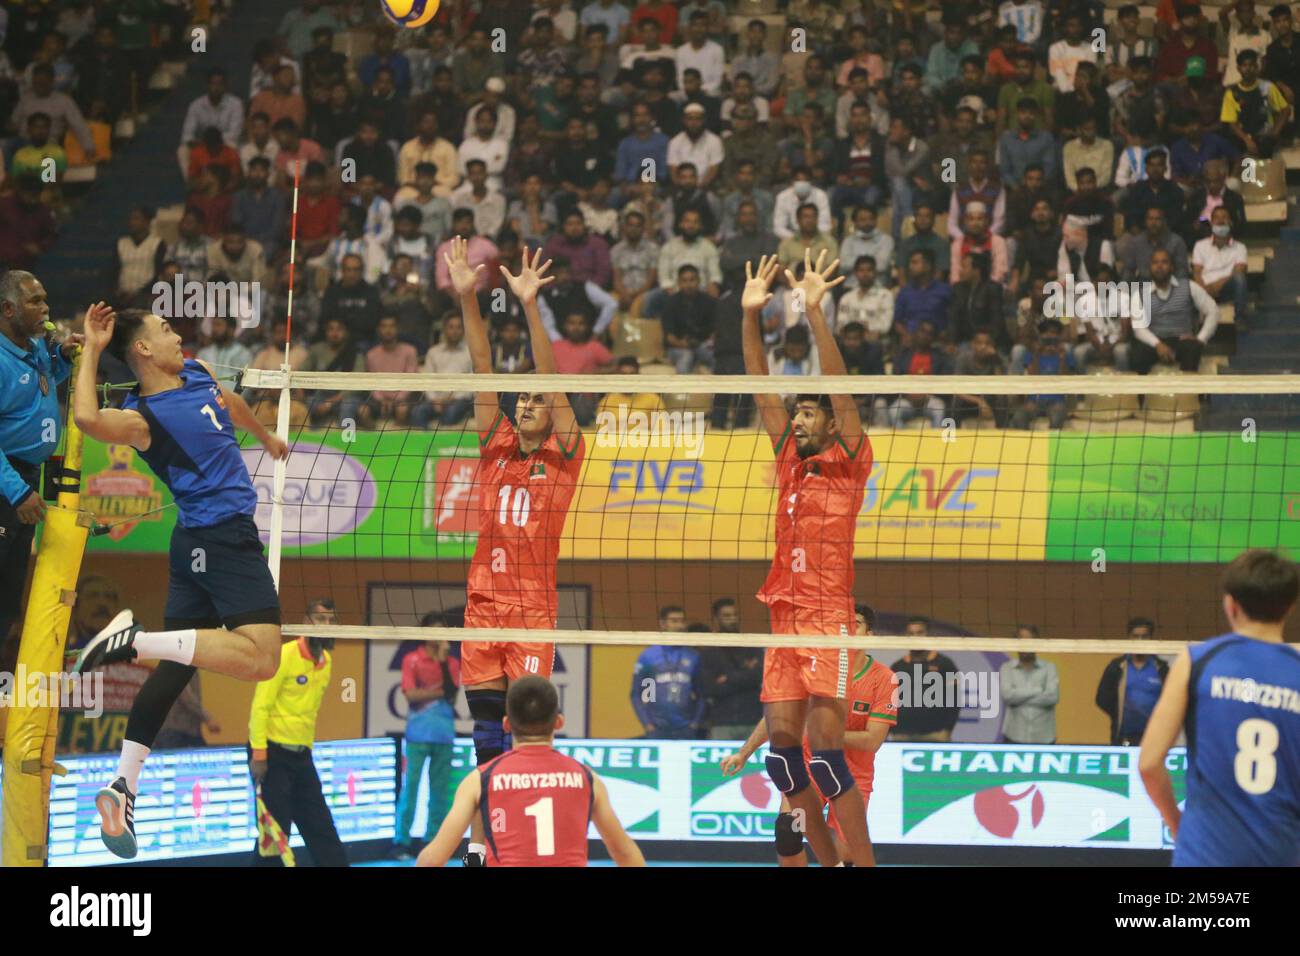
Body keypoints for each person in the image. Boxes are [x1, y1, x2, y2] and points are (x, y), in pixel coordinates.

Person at [71, 304, 289, 859]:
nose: (176, 334)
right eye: (164, 330)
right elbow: (88, 421)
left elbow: (229, 403)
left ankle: (123, 786)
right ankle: (133, 639)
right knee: (264, 660)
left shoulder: (196, 371)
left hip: (191, 543)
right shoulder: (144, 417)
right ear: (142, 349)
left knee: (178, 666)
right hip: (223, 541)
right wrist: (93, 351)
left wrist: (265, 438)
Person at [444, 239, 585, 867]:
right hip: (482, 604)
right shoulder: (496, 443)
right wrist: (467, 297)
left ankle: (524, 846)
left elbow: (551, 383)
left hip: (532, 611)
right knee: (481, 738)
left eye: (536, 401)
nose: (527, 404)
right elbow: (481, 368)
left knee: (522, 735)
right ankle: (481, 845)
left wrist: (530, 306)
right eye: (521, 399)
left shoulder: (564, 456)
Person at [741, 251, 875, 868]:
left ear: (829, 420)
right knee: (780, 759)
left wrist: (814, 311)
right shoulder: (788, 459)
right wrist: (751, 317)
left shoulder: (849, 460)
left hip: (827, 616)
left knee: (825, 755)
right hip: (783, 618)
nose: (796, 418)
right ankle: (827, 865)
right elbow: (758, 384)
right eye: (794, 411)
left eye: (807, 411)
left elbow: (841, 388)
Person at [1139, 549, 1300, 866]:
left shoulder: (1197, 661)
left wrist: (1177, 824)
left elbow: (1148, 764)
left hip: (1204, 854)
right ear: (1290, 607)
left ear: (1230, 604)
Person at [720, 603, 898, 867]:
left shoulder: (885, 679)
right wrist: (744, 753)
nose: (846, 630)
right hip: (808, 769)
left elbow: (872, 741)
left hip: (851, 775)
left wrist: (824, 733)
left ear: (870, 635)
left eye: (855, 624)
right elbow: (778, 715)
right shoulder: (814, 670)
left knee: (844, 855)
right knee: (789, 830)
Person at [417, 676, 645, 867]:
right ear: (559, 722)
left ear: (506, 724)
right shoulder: (586, 778)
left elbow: (432, 860)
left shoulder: (480, 779)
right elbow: (624, 854)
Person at [0, 272, 82, 643]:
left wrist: (63, 357)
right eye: (35, 301)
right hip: (8, 483)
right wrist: (17, 492)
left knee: (8, 596)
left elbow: (41, 385)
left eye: (45, 298)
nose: (46, 307)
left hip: (27, 478)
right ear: (7, 309)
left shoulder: (35, 348)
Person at [248, 598, 346, 867]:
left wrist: (307, 749)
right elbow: (260, 707)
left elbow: (309, 713)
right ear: (306, 622)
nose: (326, 625)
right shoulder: (284, 655)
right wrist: (259, 754)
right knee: (275, 834)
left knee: (321, 827)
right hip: (271, 754)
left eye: (330, 620)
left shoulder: (325, 661)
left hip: (301, 756)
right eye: (320, 619)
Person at [392, 624, 461, 860]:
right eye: (435, 630)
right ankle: (402, 842)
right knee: (410, 788)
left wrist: (442, 664)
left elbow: (452, 695)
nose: (440, 635)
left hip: (444, 735)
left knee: (440, 792)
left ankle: (434, 840)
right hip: (417, 735)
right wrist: (439, 692)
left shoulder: (451, 663)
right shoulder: (412, 660)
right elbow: (411, 695)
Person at [631, 606, 705, 738]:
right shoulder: (649, 656)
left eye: (682, 621)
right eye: (674, 621)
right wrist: (648, 724)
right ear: (663, 624)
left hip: (686, 729)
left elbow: (701, 694)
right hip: (656, 729)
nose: (680, 626)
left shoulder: (693, 656)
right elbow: (638, 695)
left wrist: (695, 723)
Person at [1095, 617, 1169, 746]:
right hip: (1123, 736)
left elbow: (1172, 701)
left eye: (1144, 637)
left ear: (1151, 639)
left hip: (1155, 737)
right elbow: (1102, 699)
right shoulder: (1117, 667)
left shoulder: (1161, 668)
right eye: (1135, 636)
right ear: (1129, 638)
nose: (1140, 641)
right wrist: (1119, 714)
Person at [891, 618, 962, 741]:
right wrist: (892, 731)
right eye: (911, 634)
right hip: (902, 734)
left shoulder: (945, 664)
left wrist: (947, 730)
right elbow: (889, 702)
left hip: (936, 735)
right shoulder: (898, 667)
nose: (915, 637)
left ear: (928, 635)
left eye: (919, 633)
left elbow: (954, 700)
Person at [998, 625, 1060, 744]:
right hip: (1013, 736)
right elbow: (1007, 696)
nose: (1026, 645)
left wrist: (1019, 697)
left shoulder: (1049, 668)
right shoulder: (1007, 668)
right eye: (1021, 641)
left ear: (1037, 643)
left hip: (1044, 737)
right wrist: (1037, 691)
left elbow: (1052, 697)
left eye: (1030, 641)